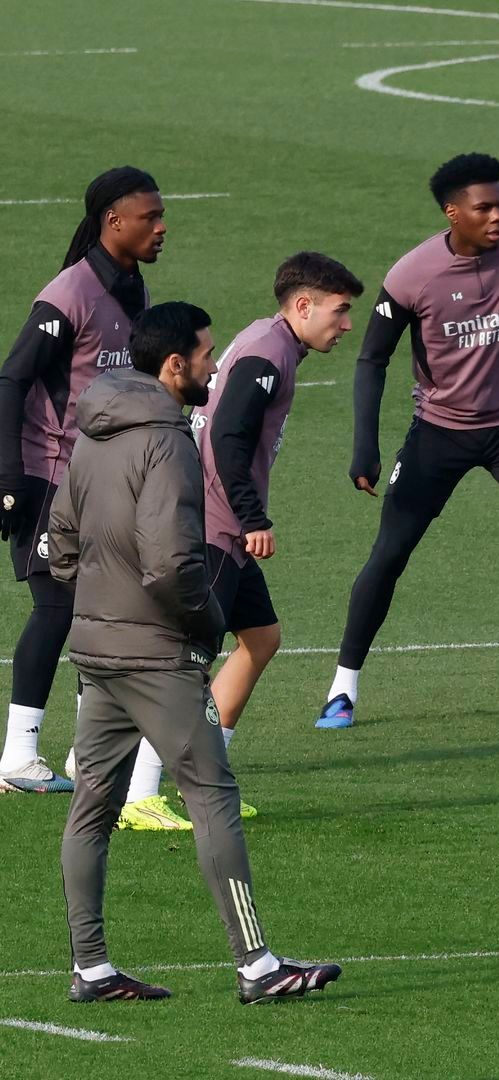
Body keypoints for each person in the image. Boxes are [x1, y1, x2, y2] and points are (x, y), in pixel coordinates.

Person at [49, 302, 340, 1003]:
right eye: (207, 355)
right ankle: (258, 966)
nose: (215, 365)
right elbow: (172, 563)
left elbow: (59, 539)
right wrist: (204, 626)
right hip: (158, 653)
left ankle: (90, 968)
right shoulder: (171, 441)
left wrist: (96, 604)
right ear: (173, 365)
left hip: (96, 647)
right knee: (213, 797)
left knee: (92, 805)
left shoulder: (92, 433)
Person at [318, 152, 499, 728]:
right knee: (390, 553)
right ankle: (343, 688)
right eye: (483, 208)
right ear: (452, 214)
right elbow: (371, 359)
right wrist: (364, 445)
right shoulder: (412, 275)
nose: (497, 216)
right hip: (439, 432)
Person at [117, 253, 364, 829]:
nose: (347, 324)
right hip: (215, 526)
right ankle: (139, 796)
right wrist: (252, 518)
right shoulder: (268, 354)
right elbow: (227, 435)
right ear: (303, 306)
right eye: (340, 310)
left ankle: (206, 781)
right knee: (188, 660)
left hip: (220, 519)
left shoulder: (270, 340)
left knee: (261, 636)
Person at [0, 166, 164, 796]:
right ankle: (17, 755)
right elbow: (11, 380)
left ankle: (85, 754)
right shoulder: (68, 294)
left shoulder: (133, 292)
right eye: (149, 216)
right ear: (111, 222)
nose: (161, 226)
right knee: (57, 607)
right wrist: (10, 476)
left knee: (103, 614)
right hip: (50, 479)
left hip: (104, 484)